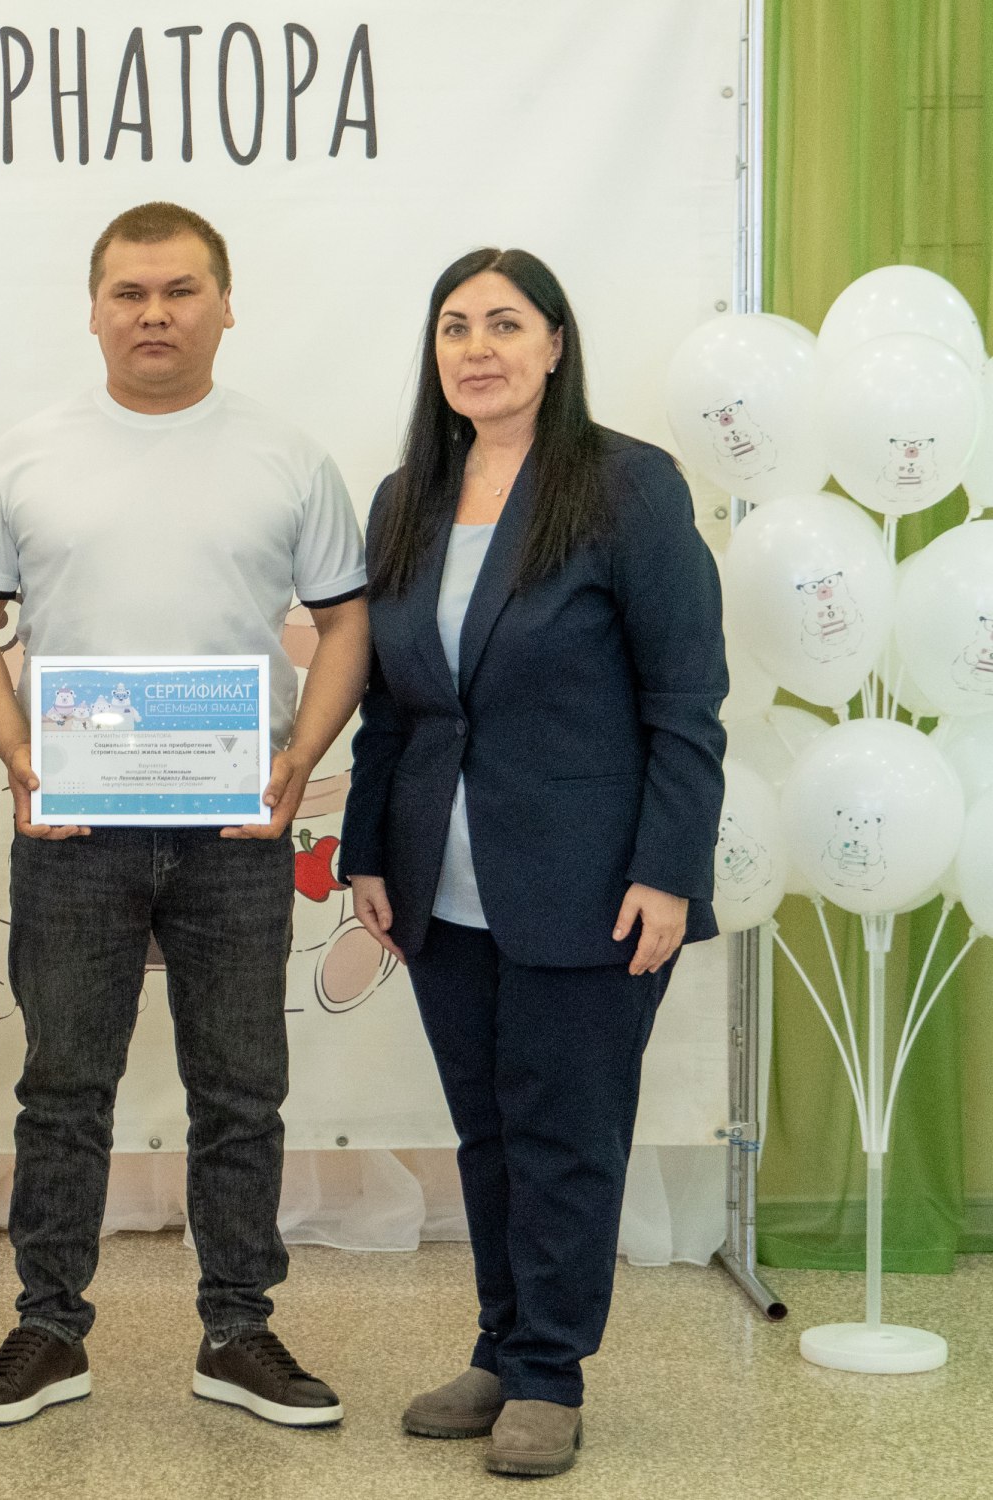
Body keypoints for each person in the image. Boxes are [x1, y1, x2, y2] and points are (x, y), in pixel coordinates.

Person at [0, 202, 370, 1428]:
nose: (154, 314)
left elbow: (345, 619)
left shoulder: (288, 458)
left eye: (180, 290)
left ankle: (238, 1332)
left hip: (234, 833)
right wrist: (17, 755)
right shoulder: (23, 456)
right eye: (128, 292)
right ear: (92, 310)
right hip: (72, 833)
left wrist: (297, 760)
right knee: (61, 1090)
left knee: (238, 1089)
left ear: (224, 306)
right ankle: (47, 1331)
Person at [341, 248, 725, 1478]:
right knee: (489, 1134)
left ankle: (550, 1374)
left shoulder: (624, 485)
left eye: (505, 324)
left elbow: (684, 698)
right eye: (454, 326)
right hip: (439, 886)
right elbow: (393, 705)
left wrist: (667, 869)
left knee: (565, 1133)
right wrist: (366, 852)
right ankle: (500, 1347)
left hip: (590, 881)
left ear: (555, 345)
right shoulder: (406, 496)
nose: (477, 349)